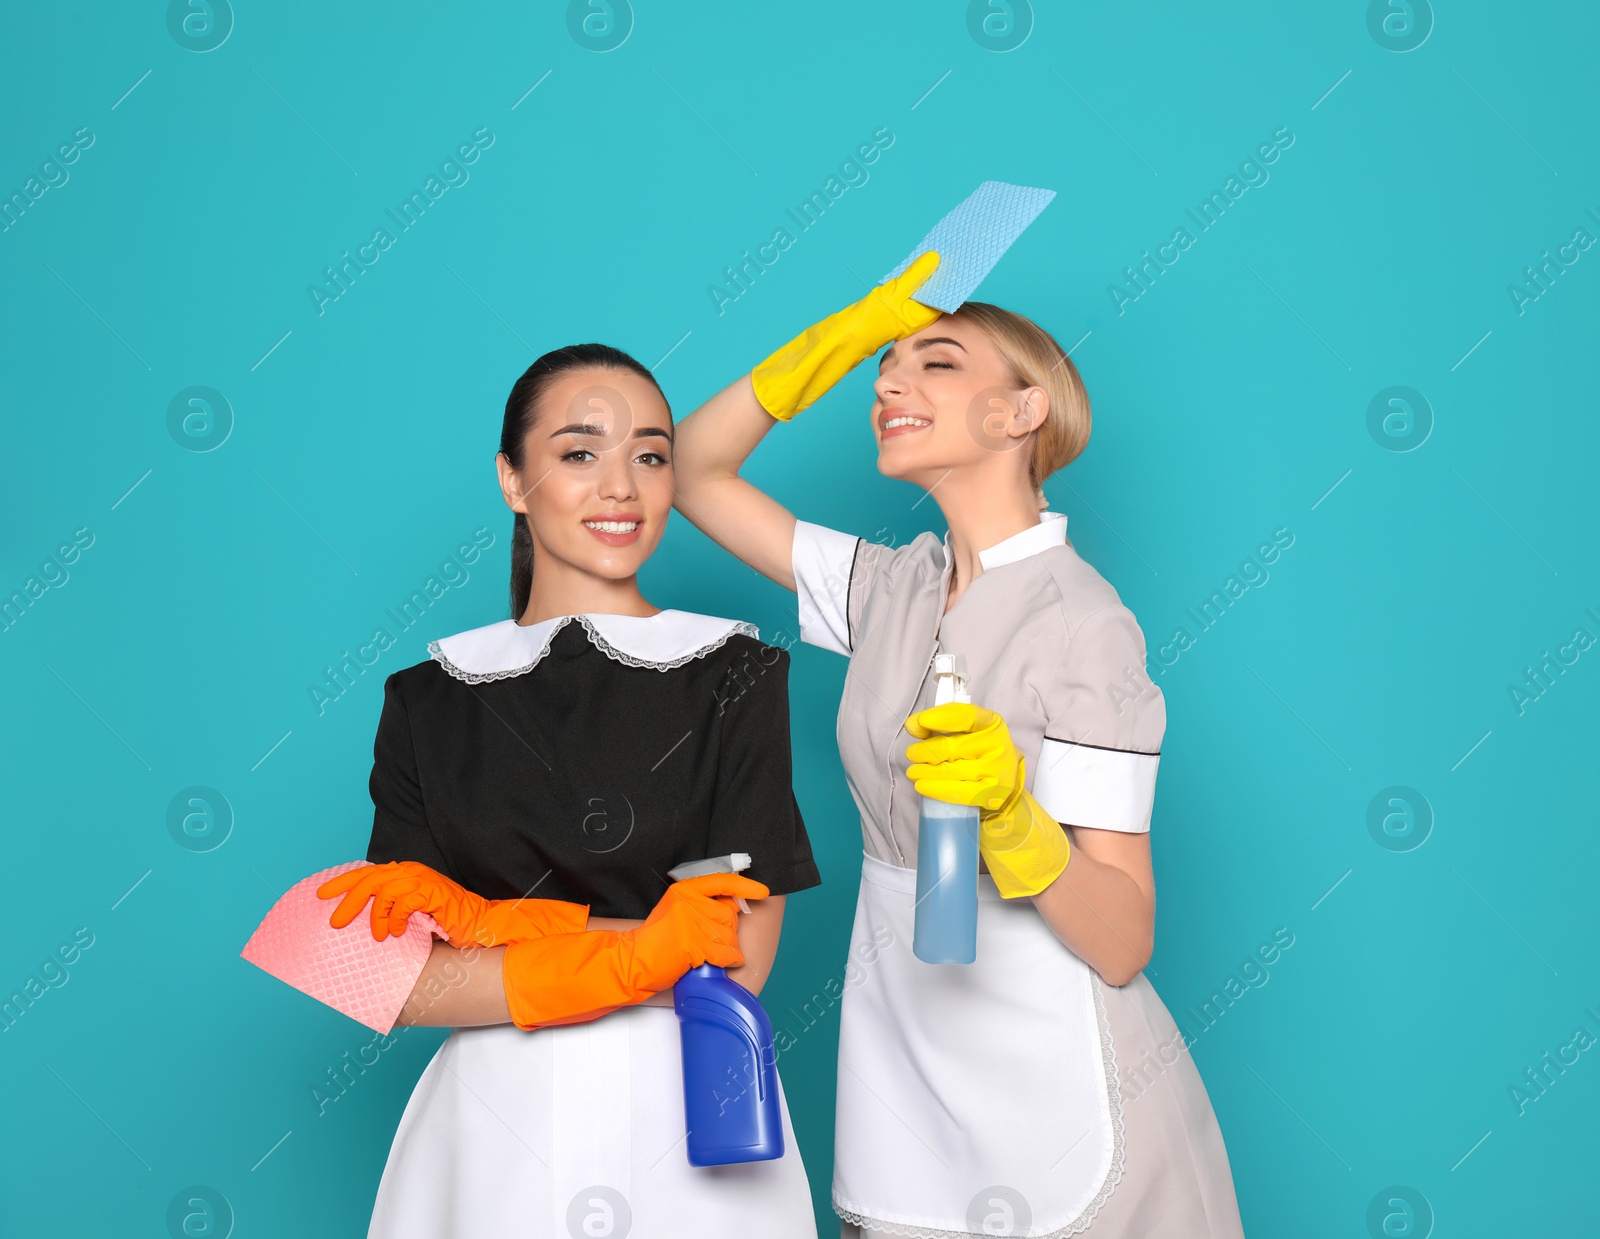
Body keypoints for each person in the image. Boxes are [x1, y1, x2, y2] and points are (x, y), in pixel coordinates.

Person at [670, 254, 1247, 1237]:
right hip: (905, 1072)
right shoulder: (890, 588)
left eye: (933, 362)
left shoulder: (1084, 625)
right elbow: (685, 470)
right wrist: (830, 343)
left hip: (1052, 1082)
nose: (888, 383)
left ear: (1020, 413)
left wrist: (1015, 823)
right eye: (881, 367)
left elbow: (1123, 938)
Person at [317, 343, 823, 1238]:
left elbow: (737, 961)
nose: (621, 487)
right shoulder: (427, 697)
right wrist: (640, 949)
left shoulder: (738, 673)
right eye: (580, 453)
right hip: (492, 1131)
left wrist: (498, 941)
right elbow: (399, 984)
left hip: (690, 1114)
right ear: (514, 480)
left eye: (652, 456)